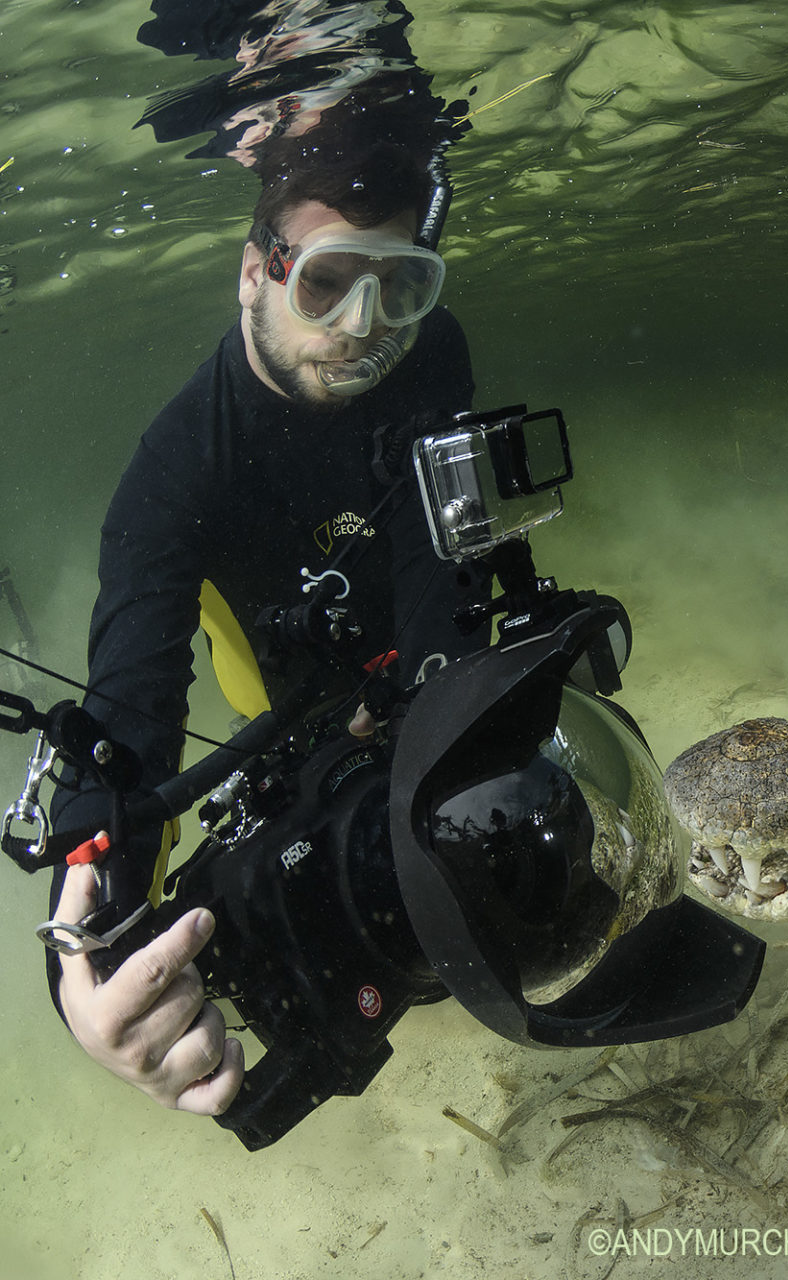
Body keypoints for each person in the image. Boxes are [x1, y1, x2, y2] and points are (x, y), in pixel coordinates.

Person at [44, 143, 488, 1116]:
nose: (365, 328)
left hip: (408, 672)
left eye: (400, 286)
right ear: (257, 271)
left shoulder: (434, 350)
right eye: (327, 282)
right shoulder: (171, 479)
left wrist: (439, 711)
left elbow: (440, 546)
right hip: (287, 710)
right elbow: (130, 715)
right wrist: (87, 959)